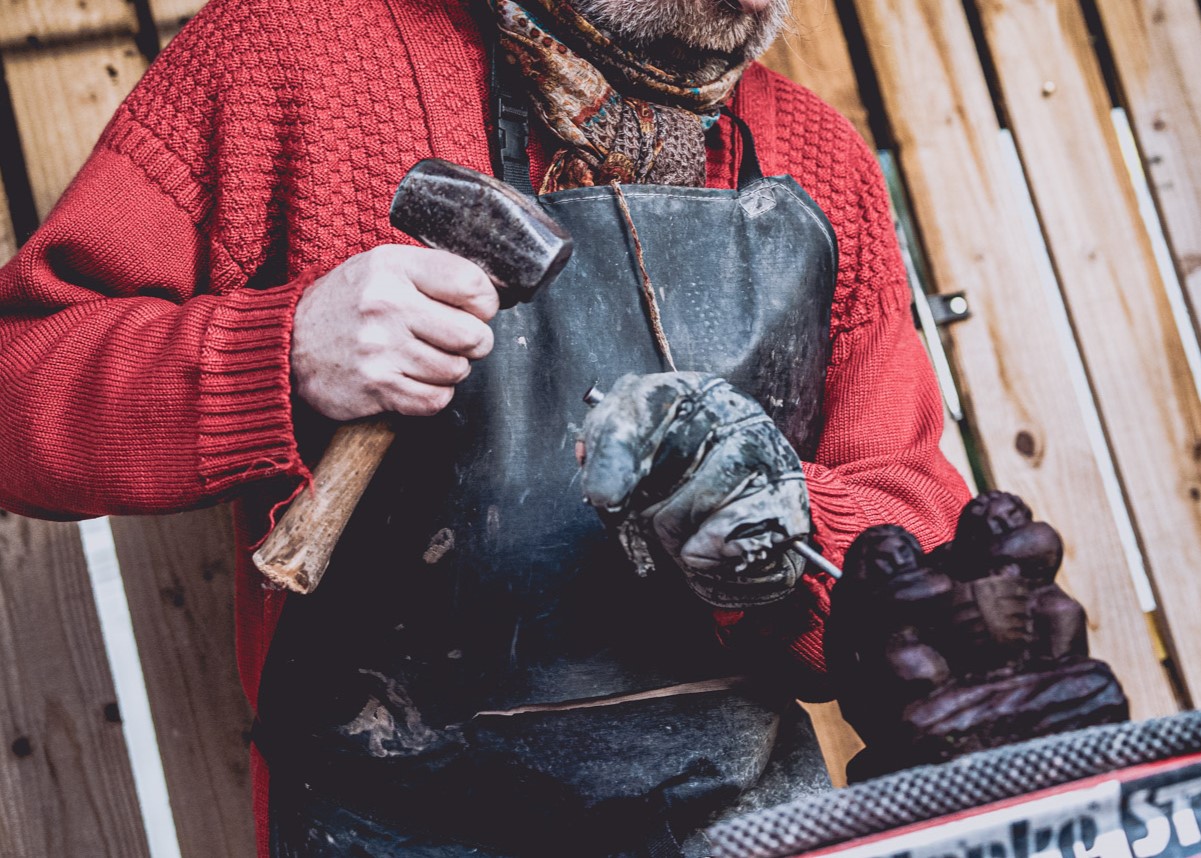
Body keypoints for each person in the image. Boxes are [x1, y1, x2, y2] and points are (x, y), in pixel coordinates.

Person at [0, 0, 970, 854]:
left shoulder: (813, 160)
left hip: (744, 817)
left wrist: (790, 536)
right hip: (393, 820)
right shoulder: (288, 55)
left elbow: (916, 539)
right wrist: (281, 351)